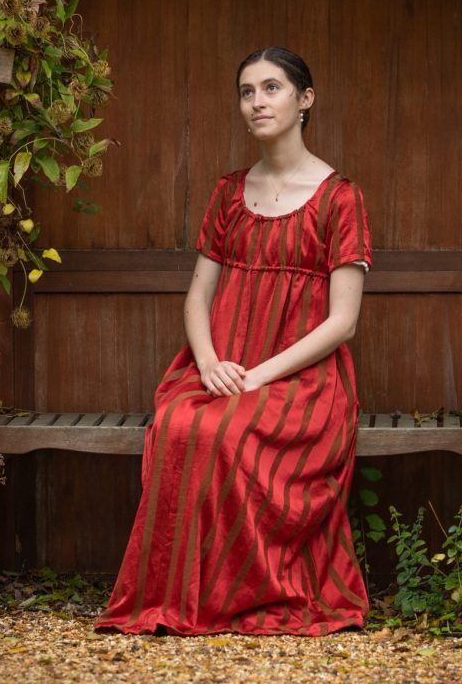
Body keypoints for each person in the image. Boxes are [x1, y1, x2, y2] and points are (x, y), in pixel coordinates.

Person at [95, 46, 371, 636]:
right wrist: (210, 361)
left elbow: (343, 322)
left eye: (272, 88)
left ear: (305, 100)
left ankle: (240, 593)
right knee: (180, 425)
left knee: (223, 430)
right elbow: (197, 298)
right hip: (220, 364)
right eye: (247, 91)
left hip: (301, 379)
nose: (257, 102)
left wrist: (259, 375)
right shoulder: (227, 193)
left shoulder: (339, 198)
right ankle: (187, 596)